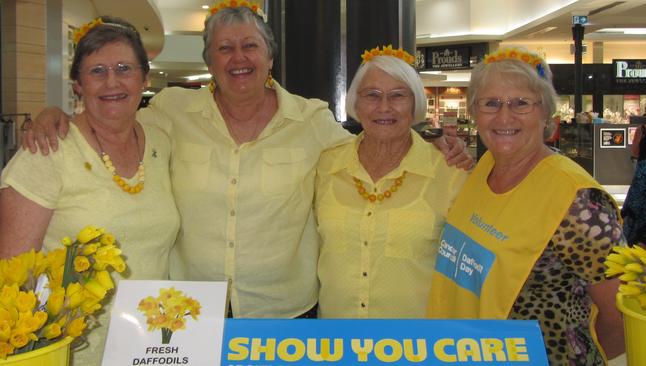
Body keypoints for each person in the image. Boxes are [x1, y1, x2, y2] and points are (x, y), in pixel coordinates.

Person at [22, 2, 472, 318]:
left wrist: (430, 141)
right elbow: (113, 116)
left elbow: (373, 139)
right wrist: (56, 114)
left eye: (250, 46)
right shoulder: (170, 113)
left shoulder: (311, 119)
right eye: (224, 48)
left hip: (286, 312)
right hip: (188, 310)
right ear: (210, 62)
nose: (238, 58)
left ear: (270, 56)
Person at [426, 48, 625, 365]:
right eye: (491, 103)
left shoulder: (579, 201)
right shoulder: (482, 168)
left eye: (521, 103)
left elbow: (620, 317)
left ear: (545, 112)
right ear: (475, 112)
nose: (505, 117)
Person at [0, 16, 180, 365]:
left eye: (124, 68)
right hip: (69, 350)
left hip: (150, 344)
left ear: (144, 78)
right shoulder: (48, 151)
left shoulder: (160, 142)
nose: (111, 81)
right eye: (97, 71)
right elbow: (10, 273)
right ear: (78, 85)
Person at [316, 46, 467, 318]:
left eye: (398, 96)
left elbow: (466, 269)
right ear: (355, 104)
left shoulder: (450, 172)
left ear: (415, 104)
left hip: (415, 346)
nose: (384, 107)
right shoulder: (325, 164)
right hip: (336, 341)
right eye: (372, 95)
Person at [622, 119, 646, 246]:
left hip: (643, 178)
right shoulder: (641, 130)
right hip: (643, 179)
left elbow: (634, 152)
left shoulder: (642, 130)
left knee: (638, 212)